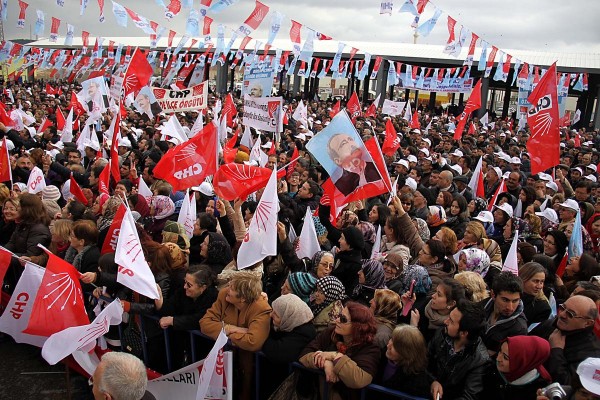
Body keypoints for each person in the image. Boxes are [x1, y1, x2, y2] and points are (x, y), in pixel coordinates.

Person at [200, 271, 271, 400]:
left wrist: (226, 335)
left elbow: (253, 341)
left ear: (243, 297)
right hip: (222, 363)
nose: (227, 289)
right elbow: (205, 323)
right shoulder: (223, 296)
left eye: (231, 288)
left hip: (247, 366)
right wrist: (229, 329)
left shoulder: (261, 308)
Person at [298, 301, 381, 400]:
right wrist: (326, 363)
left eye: (343, 319)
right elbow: (304, 354)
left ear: (358, 327)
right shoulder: (331, 332)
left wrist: (335, 356)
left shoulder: (370, 348)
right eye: (339, 315)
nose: (336, 320)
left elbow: (360, 378)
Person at [531, 295, 600, 385]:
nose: (562, 314)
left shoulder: (591, 354)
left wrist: (556, 351)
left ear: (587, 323)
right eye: (562, 308)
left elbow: (568, 384)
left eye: (570, 314)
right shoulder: (550, 324)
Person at [428, 299, 490, 400]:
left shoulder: (480, 361)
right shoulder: (441, 333)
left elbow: (469, 396)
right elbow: (423, 362)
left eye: (451, 321)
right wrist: (432, 381)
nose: (445, 321)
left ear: (463, 333)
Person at [261, 294, 317, 397]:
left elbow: (276, 351)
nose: (270, 315)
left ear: (289, 317)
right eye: (272, 310)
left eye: (276, 315)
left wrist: (259, 334)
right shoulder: (291, 324)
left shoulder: (304, 333)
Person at [483, 335, 552, 400]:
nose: (498, 358)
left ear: (522, 362)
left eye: (505, 357)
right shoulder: (492, 369)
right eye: (500, 351)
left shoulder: (539, 390)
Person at [377, 325, 432, 398]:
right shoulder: (381, 356)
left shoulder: (416, 382)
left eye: (395, 346)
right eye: (391, 339)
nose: (388, 345)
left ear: (407, 353)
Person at [480, 271, 528, 356]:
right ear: (493, 295)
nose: (510, 307)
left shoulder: (519, 329)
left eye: (515, 301)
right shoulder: (481, 306)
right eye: (505, 300)